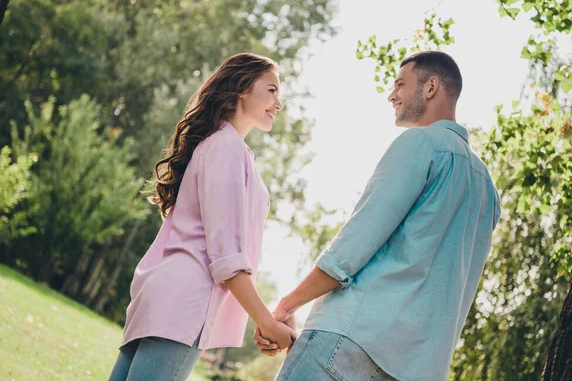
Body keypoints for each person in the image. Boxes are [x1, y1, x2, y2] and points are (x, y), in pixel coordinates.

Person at [255, 51, 501, 381]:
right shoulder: (488, 191)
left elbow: (352, 248)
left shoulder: (420, 144)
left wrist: (285, 306)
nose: (392, 94)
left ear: (431, 87)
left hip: (350, 341)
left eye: (401, 83)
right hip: (416, 368)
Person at [108, 53, 296, 381]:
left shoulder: (218, 146)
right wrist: (265, 322)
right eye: (271, 90)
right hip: (184, 305)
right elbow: (226, 258)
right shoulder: (227, 149)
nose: (278, 103)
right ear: (242, 88)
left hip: (163, 298)